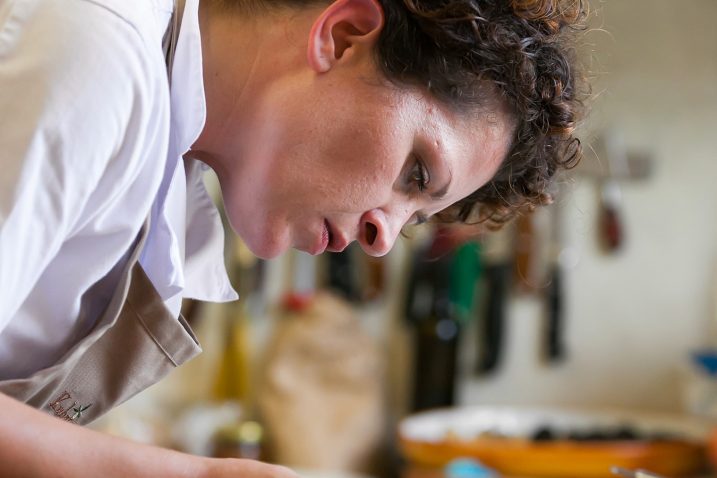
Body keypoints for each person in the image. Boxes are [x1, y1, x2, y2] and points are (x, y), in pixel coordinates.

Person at [0, 0, 586, 476]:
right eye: (416, 173)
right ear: (343, 35)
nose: (384, 239)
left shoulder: (172, 166)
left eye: (416, 217)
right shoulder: (95, 52)